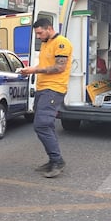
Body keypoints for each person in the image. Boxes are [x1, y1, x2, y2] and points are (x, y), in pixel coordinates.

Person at [18, 18, 72, 178]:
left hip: (54, 89)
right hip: (43, 88)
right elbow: (44, 65)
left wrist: (35, 71)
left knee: (42, 125)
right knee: (45, 125)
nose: (38, 36)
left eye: (40, 33)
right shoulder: (45, 43)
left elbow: (59, 67)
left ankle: (57, 161)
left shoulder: (62, 43)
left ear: (49, 28)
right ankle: (53, 159)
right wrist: (29, 69)